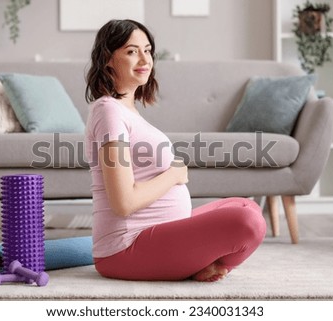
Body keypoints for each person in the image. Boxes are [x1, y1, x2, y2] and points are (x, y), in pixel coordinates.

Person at [84, 19, 266, 282]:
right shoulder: (109, 111)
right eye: (132, 51)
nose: (144, 59)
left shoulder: (126, 110)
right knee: (247, 223)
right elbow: (123, 203)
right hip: (126, 248)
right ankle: (196, 264)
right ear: (108, 59)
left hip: (158, 235)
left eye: (147, 50)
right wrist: (174, 174)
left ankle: (195, 264)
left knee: (245, 206)